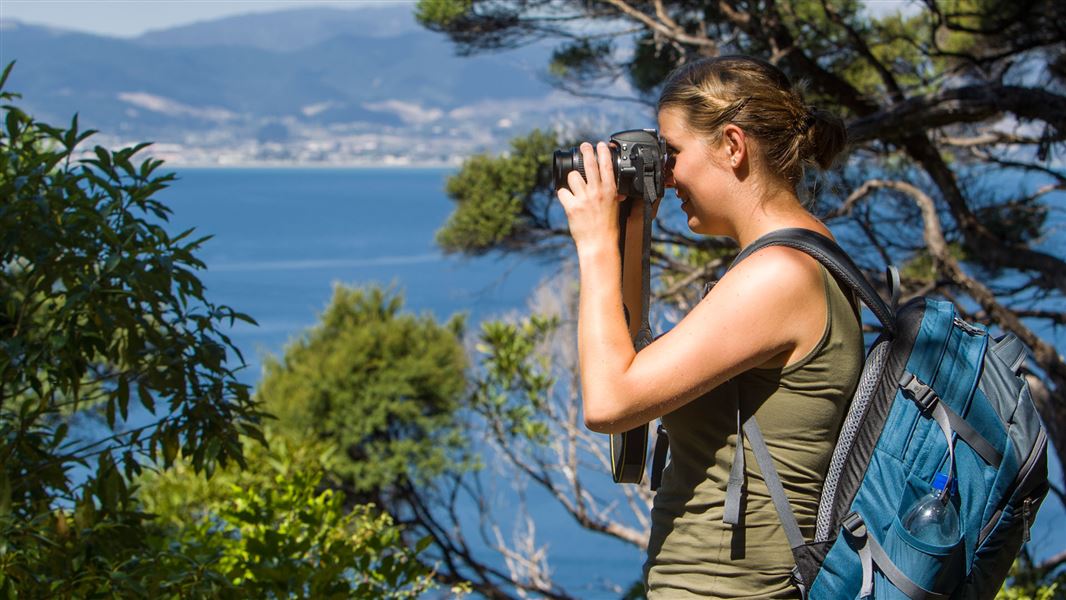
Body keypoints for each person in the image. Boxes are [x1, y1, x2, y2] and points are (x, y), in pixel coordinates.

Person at [555, 55, 864, 598]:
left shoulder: (779, 276)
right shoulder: (796, 259)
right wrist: (628, 230)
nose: (666, 175)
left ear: (732, 146)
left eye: (672, 153)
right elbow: (632, 363)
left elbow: (609, 401)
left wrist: (594, 245)